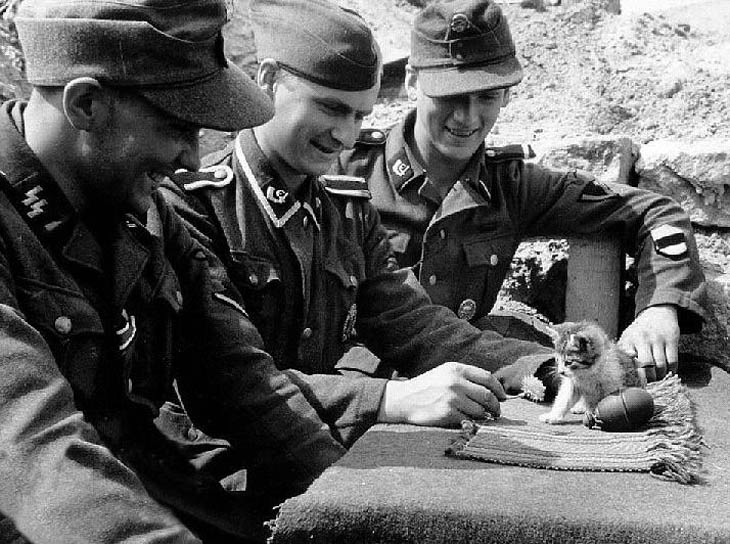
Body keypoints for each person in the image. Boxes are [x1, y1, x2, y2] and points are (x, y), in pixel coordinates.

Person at [0, 0, 352, 542]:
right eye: (179, 128)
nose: (192, 157)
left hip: (144, 495)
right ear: (87, 104)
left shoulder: (145, 210)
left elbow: (241, 378)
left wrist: (350, 506)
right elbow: (37, 452)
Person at [161, 0, 555, 457]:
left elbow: (412, 323)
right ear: (269, 81)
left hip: (314, 447)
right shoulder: (191, 208)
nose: (346, 136)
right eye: (331, 108)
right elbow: (228, 382)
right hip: (218, 468)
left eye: (360, 116)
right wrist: (390, 399)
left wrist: (542, 365)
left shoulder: (345, 209)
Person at [334, 0, 707, 383]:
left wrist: (660, 307)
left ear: (508, 95)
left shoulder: (510, 186)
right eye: (451, 96)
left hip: (473, 382)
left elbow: (656, 213)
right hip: (366, 392)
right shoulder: (342, 173)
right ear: (413, 81)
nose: (468, 117)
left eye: (487, 97)